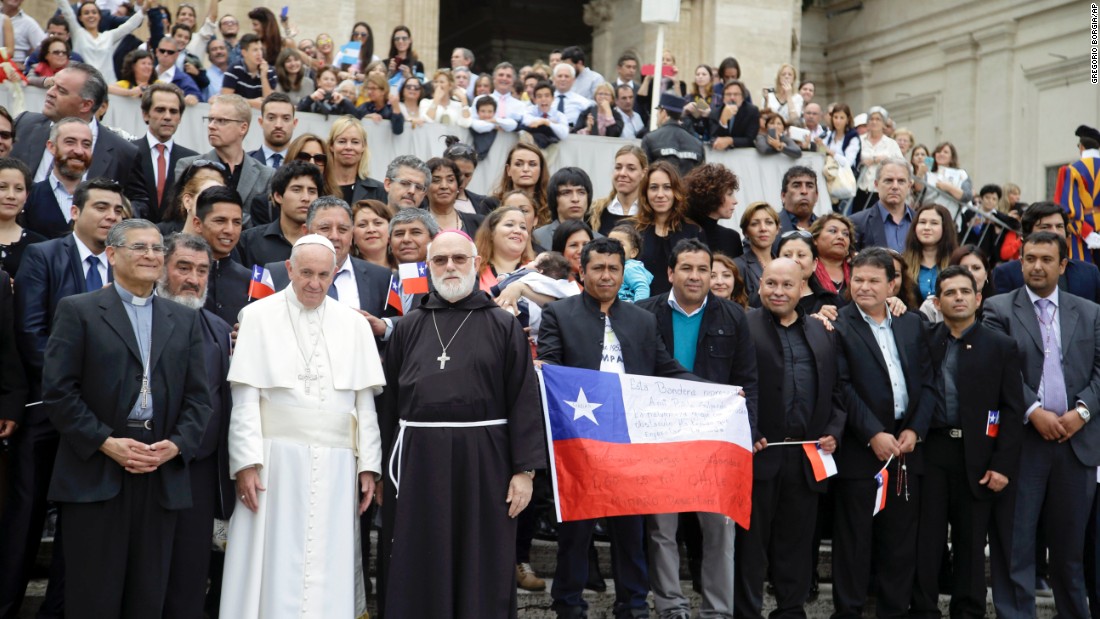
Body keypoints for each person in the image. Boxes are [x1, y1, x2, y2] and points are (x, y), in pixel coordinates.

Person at [41, 217, 210, 618]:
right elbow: (59, 391)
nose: (151, 255)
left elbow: (200, 398)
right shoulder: (79, 310)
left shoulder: (183, 319)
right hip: (97, 468)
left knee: (148, 598)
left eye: (157, 248)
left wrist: (176, 445)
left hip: (159, 470)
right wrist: (106, 442)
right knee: (93, 598)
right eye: (140, 247)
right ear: (112, 254)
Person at [220, 234, 384, 619]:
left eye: (324, 275)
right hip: (274, 462)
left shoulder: (354, 325)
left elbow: (365, 404)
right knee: (273, 554)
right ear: (289, 269)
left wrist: (369, 466)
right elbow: (244, 399)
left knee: (329, 555)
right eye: (306, 273)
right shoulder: (257, 316)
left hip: (337, 464)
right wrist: (245, 463)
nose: (314, 283)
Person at [538, 236, 696, 619]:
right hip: (578, 444)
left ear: (623, 272)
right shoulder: (559, 314)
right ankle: (568, 606)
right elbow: (549, 369)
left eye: (613, 269)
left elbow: (666, 368)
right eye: (598, 268)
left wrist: (718, 392)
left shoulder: (642, 319)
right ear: (582, 270)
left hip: (630, 443)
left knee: (630, 534)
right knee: (575, 535)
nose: (606, 276)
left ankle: (633, 606)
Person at [637, 238, 758, 619]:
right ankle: (671, 607)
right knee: (661, 530)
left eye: (702, 269)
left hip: (715, 440)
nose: (695, 276)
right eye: (686, 268)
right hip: (660, 437)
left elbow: (747, 381)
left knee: (720, 531)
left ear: (712, 274)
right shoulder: (644, 314)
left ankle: (717, 611)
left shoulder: (733, 316)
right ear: (670, 272)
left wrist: (747, 434)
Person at [984, 230, 1100, 619]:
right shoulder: (997, 309)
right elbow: (998, 371)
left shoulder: (1089, 311)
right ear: (1021, 262)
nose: (1036, 265)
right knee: (1015, 548)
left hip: (1075, 444)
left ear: (1063, 265)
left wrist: (1081, 412)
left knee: (1069, 554)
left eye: (1046, 259)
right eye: (1030, 258)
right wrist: (1033, 410)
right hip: (1023, 444)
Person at [910, 265, 1023, 619]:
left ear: (978, 299)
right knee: (926, 539)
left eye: (964, 291)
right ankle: (924, 609)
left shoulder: (1001, 346)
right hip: (931, 450)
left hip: (977, 455)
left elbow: (1011, 409)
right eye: (949, 293)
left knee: (972, 541)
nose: (958, 297)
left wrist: (1002, 465)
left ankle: (969, 611)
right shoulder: (923, 339)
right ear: (938, 301)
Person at [830, 247, 936, 619]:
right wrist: (873, 433)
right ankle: (849, 612)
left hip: (906, 447)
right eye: (857, 279)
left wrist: (915, 431)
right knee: (854, 541)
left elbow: (928, 382)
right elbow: (841, 387)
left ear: (892, 284)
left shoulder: (910, 323)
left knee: (901, 541)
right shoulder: (838, 325)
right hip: (863, 450)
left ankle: (893, 611)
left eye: (874, 280)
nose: (864, 287)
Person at [735, 257, 844, 619]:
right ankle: (746, 612)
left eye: (787, 285)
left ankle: (791, 610)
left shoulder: (822, 331)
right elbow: (730, 387)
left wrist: (833, 430)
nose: (778, 292)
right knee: (751, 546)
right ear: (760, 285)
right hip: (756, 454)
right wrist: (747, 432)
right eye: (771, 284)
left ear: (802, 288)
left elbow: (837, 390)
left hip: (805, 457)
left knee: (797, 543)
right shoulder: (743, 326)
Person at [153, 232, 234, 619]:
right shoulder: (140, 316)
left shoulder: (218, 327)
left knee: (189, 574)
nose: (193, 278)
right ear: (162, 268)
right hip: (146, 467)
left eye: (202, 270)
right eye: (183, 267)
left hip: (199, 473)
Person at [12, 62, 138, 189]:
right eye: (52, 85)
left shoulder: (124, 153)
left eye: (61, 90)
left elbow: (138, 201)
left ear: (85, 105)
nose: (50, 92)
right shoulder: (23, 124)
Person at [175, 94, 275, 218]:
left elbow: (263, 222)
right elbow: (183, 214)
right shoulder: (189, 166)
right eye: (210, 119)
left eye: (221, 121)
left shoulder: (266, 175)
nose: (211, 126)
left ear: (243, 128)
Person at [990, 201, 1100, 302]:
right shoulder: (1007, 274)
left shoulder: (1089, 273)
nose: (1055, 233)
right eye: (1045, 227)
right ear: (1028, 234)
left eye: (1059, 226)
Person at [627, 161, 704, 297]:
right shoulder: (631, 230)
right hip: (639, 309)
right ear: (645, 192)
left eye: (667, 187)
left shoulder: (693, 231)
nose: (660, 194)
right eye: (654, 188)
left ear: (676, 192)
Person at [125, 83, 198, 223]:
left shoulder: (191, 160)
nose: (167, 117)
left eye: (173, 111)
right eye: (160, 110)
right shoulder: (126, 152)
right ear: (145, 114)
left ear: (180, 117)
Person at [237, 160, 322, 268]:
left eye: (312, 191)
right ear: (278, 196)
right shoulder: (249, 242)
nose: (306, 198)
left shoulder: (325, 241)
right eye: (296, 190)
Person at [21, 117, 93, 239]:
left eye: (86, 144)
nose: (79, 151)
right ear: (51, 147)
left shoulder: (101, 200)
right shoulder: (29, 196)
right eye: (70, 142)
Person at [189, 186, 250, 327]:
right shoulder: (176, 276)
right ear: (198, 224)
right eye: (220, 221)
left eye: (237, 222)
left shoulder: (255, 281)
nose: (229, 230)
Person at [54, 0, 145, 84]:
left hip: (107, 88)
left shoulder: (108, 36)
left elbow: (129, 25)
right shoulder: (78, 33)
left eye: (94, 12)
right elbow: (66, 9)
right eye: (86, 13)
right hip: (84, 86)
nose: (91, 15)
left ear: (99, 16)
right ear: (80, 17)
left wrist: (145, 8)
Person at [849, 159, 914, 253]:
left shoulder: (919, 221)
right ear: (876, 184)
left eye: (901, 181)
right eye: (888, 181)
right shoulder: (856, 223)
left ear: (909, 185)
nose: (895, 186)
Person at [1057, 124, 1100, 263]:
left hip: (1082, 231)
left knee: (1083, 275)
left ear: (1081, 147)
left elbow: (1067, 209)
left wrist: (1087, 233)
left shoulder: (1071, 170)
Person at [684, 162, 743, 258]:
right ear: (712, 195)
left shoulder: (732, 238)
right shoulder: (682, 233)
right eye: (729, 194)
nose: (735, 201)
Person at [325, 116, 387, 206]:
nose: (348, 147)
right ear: (331, 146)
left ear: (363, 146)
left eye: (355, 142)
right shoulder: (318, 187)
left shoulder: (379, 190)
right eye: (342, 141)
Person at [902, 203, 958, 301]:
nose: (927, 227)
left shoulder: (957, 263)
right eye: (922, 222)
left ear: (945, 228)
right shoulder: (902, 263)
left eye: (934, 223)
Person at [641, 93, 705, 179]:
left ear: (663, 112)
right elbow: (702, 181)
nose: (656, 115)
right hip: (687, 191)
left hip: (661, 191)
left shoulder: (650, 139)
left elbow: (644, 176)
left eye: (658, 111)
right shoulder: (697, 144)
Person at [156, 160, 227, 236]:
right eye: (206, 192)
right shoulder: (162, 239)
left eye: (219, 192)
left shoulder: (231, 242)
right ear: (187, 201)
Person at [853, 106, 903, 213]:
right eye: (871, 119)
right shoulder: (859, 140)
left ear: (884, 124)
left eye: (878, 119)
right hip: (860, 189)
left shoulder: (891, 144)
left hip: (881, 191)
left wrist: (876, 160)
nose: (874, 122)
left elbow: (901, 164)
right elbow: (851, 159)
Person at [589, 145, 647, 236]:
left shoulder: (652, 213)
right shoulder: (595, 211)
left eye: (631, 169)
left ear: (643, 173)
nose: (622, 173)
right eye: (618, 167)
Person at [0, 157, 45, 276]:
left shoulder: (40, 246)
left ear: (27, 195)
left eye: (19, 189)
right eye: (2, 187)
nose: (11, 195)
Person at [475, 205, 535, 293]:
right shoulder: (474, 271)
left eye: (523, 227)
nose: (518, 231)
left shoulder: (537, 269)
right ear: (491, 232)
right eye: (509, 225)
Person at [533, 167, 593, 250]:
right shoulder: (538, 237)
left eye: (581, 192)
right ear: (554, 199)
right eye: (566, 193)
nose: (575, 199)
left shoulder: (599, 240)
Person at [486, 142, 549, 219]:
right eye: (518, 164)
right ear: (508, 170)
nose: (526, 169)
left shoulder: (551, 206)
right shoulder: (491, 204)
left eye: (532, 164)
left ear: (541, 170)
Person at [426, 157, 483, 237]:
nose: (444, 186)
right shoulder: (416, 223)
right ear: (425, 188)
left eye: (450, 180)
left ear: (458, 186)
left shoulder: (479, 223)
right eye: (436, 180)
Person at [735, 202, 780, 298]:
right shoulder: (738, 266)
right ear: (745, 232)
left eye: (769, 222)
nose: (763, 228)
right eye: (755, 224)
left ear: (777, 229)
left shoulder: (783, 264)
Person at [220, 33, 276, 109]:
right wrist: (250, 103)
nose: (259, 53)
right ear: (244, 53)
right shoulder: (234, 69)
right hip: (238, 113)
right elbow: (225, 98)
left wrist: (263, 76)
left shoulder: (269, 70)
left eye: (260, 49)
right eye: (255, 50)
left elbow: (270, 102)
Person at [809, 213, 855, 300]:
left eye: (846, 234)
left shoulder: (857, 270)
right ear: (815, 239)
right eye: (833, 231)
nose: (841, 237)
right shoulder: (806, 271)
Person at [249, 92, 298, 169]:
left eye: (286, 119)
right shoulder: (245, 162)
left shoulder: (303, 163)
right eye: (271, 118)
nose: (278, 125)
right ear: (261, 122)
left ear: (294, 123)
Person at [150, 36, 202, 105]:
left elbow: (198, 98)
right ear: (157, 52)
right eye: (162, 51)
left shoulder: (184, 79)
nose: (165, 54)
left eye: (170, 52)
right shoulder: (146, 73)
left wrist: (193, 98)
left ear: (176, 55)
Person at [710, 80, 759, 151]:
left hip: (744, 154)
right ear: (723, 98)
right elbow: (713, 138)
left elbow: (750, 139)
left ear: (742, 97)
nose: (732, 97)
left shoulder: (752, 111)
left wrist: (730, 140)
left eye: (736, 94)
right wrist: (723, 121)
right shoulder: (715, 112)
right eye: (728, 94)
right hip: (721, 154)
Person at [816, 103, 860, 177]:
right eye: (835, 117)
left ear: (847, 120)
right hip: (829, 175)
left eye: (842, 118)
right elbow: (823, 153)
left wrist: (831, 152)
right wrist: (820, 146)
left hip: (845, 179)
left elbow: (848, 163)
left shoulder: (853, 137)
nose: (838, 121)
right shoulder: (829, 134)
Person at [777, 165, 820, 235]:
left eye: (810, 186)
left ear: (816, 196)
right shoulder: (768, 227)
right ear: (783, 195)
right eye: (796, 186)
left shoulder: (825, 228)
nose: (804, 191)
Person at [549, 62, 593, 129]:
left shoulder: (583, 102)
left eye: (566, 76)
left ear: (573, 80)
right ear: (554, 79)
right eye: (559, 76)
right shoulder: (545, 100)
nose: (563, 79)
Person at [353, 199, 393, 268]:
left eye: (378, 223)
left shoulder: (406, 268)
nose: (371, 230)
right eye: (362, 225)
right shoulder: (347, 273)